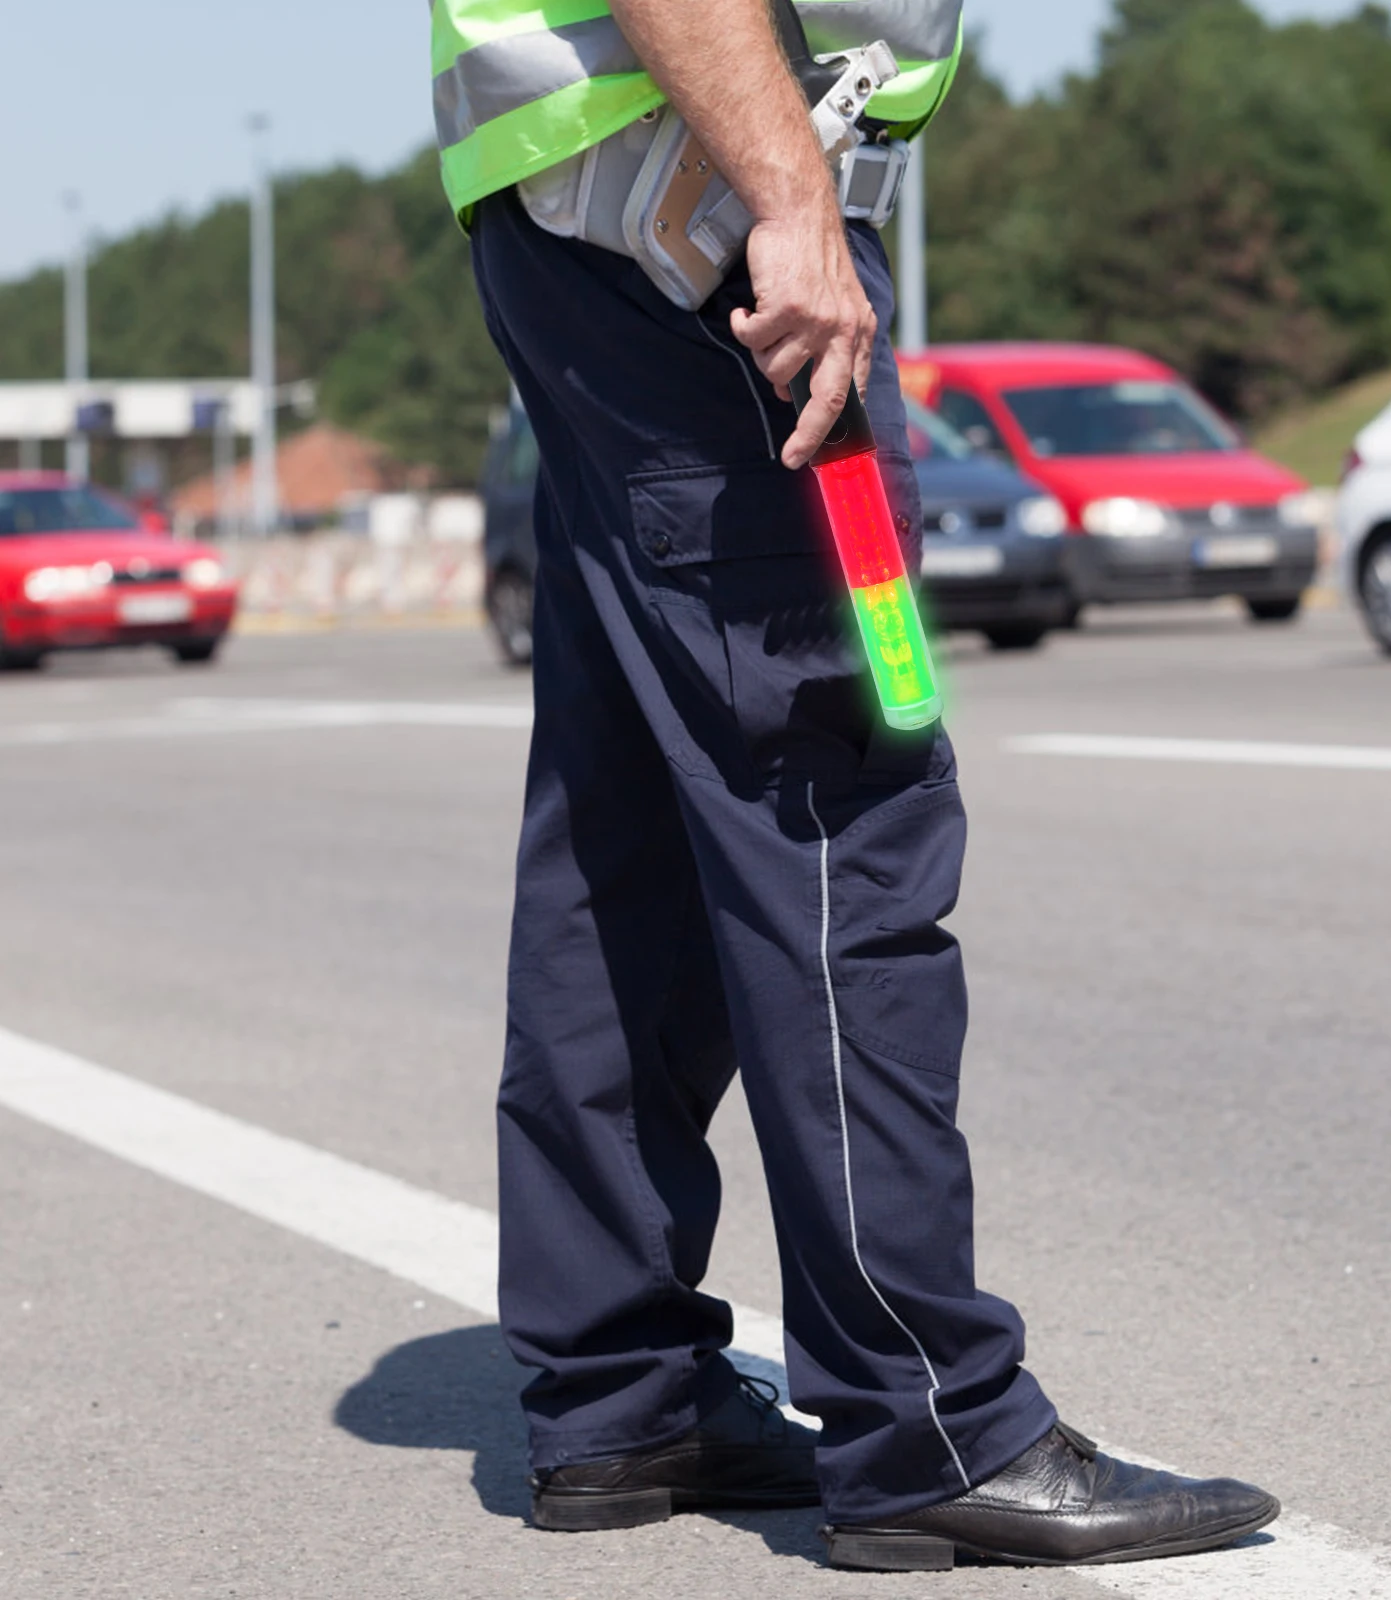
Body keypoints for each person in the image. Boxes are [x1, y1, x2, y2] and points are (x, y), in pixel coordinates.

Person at [432, 0, 1279, 1571]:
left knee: (628, 837)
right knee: (840, 800)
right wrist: (797, 209)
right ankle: (931, 1421)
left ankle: (622, 1391)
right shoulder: (760, 214)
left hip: (600, 223)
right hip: (715, 232)